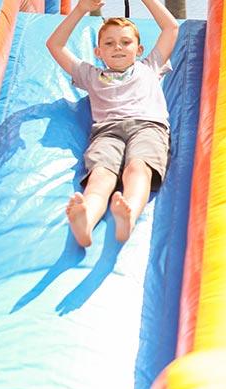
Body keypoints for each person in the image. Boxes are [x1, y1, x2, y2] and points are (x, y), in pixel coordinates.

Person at [46, 0, 179, 247]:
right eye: (108, 43)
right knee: (100, 176)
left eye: (125, 42)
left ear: (139, 49)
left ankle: (127, 216)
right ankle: (85, 220)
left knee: (137, 168)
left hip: (147, 127)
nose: (117, 47)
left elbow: (171, 28)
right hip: (107, 134)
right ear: (98, 52)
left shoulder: (150, 67)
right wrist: (81, 9)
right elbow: (55, 45)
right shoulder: (91, 75)